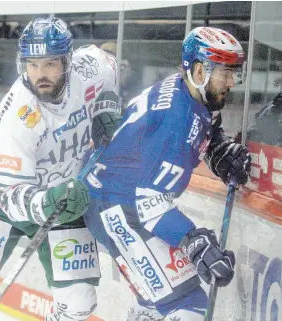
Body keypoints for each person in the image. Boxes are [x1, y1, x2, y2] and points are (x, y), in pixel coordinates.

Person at [0, 17, 122, 321]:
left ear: (68, 61)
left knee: (80, 303)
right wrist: (47, 201)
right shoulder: (15, 115)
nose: (40, 75)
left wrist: (107, 105)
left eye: (50, 64)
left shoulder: (91, 67)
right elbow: (12, 196)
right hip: (1, 200)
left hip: (66, 197)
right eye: (33, 64)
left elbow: (112, 64)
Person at [82, 27, 252, 321]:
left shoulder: (188, 92)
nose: (232, 81)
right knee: (188, 305)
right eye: (225, 72)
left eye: (235, 72)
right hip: (118, 208)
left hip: (113, 197)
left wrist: (217, 147)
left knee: (155, 299)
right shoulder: (177, 121)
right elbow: (150, 201)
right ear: (200, 70)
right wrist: (194, 242)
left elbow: (208, 124)